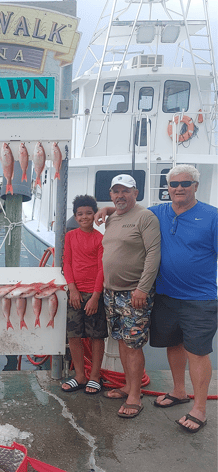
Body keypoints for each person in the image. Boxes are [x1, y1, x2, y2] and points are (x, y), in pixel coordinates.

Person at [148, 165, 217, 433]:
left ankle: (199, 408)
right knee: (173, 344)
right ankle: (179, 391)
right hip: (165, 295)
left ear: (196, 186)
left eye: (186, 183)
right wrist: (107, 211)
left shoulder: (212, 217)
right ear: (168, 188)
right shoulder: (158, 212)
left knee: (197, 352)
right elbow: (131, 214)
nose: (179, 188)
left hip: (199, 299)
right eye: (174, 184)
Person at [101, 174, 160, 418]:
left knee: (133, 345)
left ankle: (135, 395)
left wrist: (142, 289)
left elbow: (153, 254)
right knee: (122, 341)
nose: (120, 196)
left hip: (134, 293)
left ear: (136, 192)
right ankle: (128, 385)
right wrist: (103, 207)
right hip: (111, 293)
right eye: (115, 191)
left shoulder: (145, 217)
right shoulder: (112, 217)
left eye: (125, 191)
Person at [61, 195, 107, 395]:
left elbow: (101, 269)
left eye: (89, 213)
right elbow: (67, 263)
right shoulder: (70, 237)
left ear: (94, 214)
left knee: (96, 336)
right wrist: (72, 288)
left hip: (93, 293)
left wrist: (96, 296)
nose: (84, 217)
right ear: (75, 216)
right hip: (75, 294)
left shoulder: (100, 239)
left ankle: (95, 376)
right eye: (80, 214)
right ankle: (80, 375)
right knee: (74, 335)